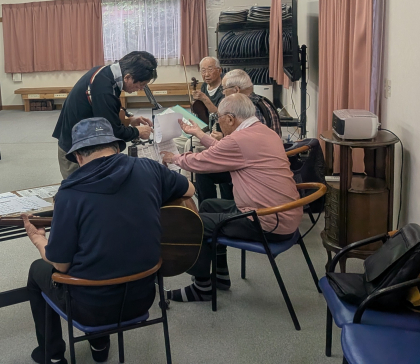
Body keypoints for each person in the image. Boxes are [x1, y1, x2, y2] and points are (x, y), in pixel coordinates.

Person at [25, 117, 194, 363]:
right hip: (143, 297)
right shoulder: (149, 168)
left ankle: (52, 356)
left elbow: (60, 265)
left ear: (79, 157)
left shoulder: (70, 193)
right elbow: (189, 189)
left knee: (37, 271)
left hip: (91, 308)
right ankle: (99, 345)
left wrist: (38, 240)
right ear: (116, 147)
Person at [160, 94, 300, 303]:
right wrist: (199, 134)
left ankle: (202, 288)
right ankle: (221, 276)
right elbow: (225, 149)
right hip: (284, 215)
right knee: (209, 205)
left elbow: (202, 161)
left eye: (218, 119)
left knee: (193, 223)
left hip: (266, 222)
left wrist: (174, 158)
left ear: (230, 118)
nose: (218, 124)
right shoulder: (264, 132)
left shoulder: (239, 140)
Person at [53, 51, 157, 179]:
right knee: (80, 187)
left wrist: (130, 119)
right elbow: (113, 132)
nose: (141, 88)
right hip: (76, 150)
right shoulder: (103, 89)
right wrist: (137, 132)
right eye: (141, 84)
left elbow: (110, 106)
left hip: (81, 138)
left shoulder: (106, 73)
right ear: (127, 77)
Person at [193, 69, 283, 204]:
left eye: (224, 89)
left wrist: (222, 140)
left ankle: (217, 209)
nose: (223, 93)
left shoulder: (248, 109)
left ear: (236, 90)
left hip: (254, 169)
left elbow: (246, 148)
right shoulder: (263, 101)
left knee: (205, 169)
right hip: (264, 162)